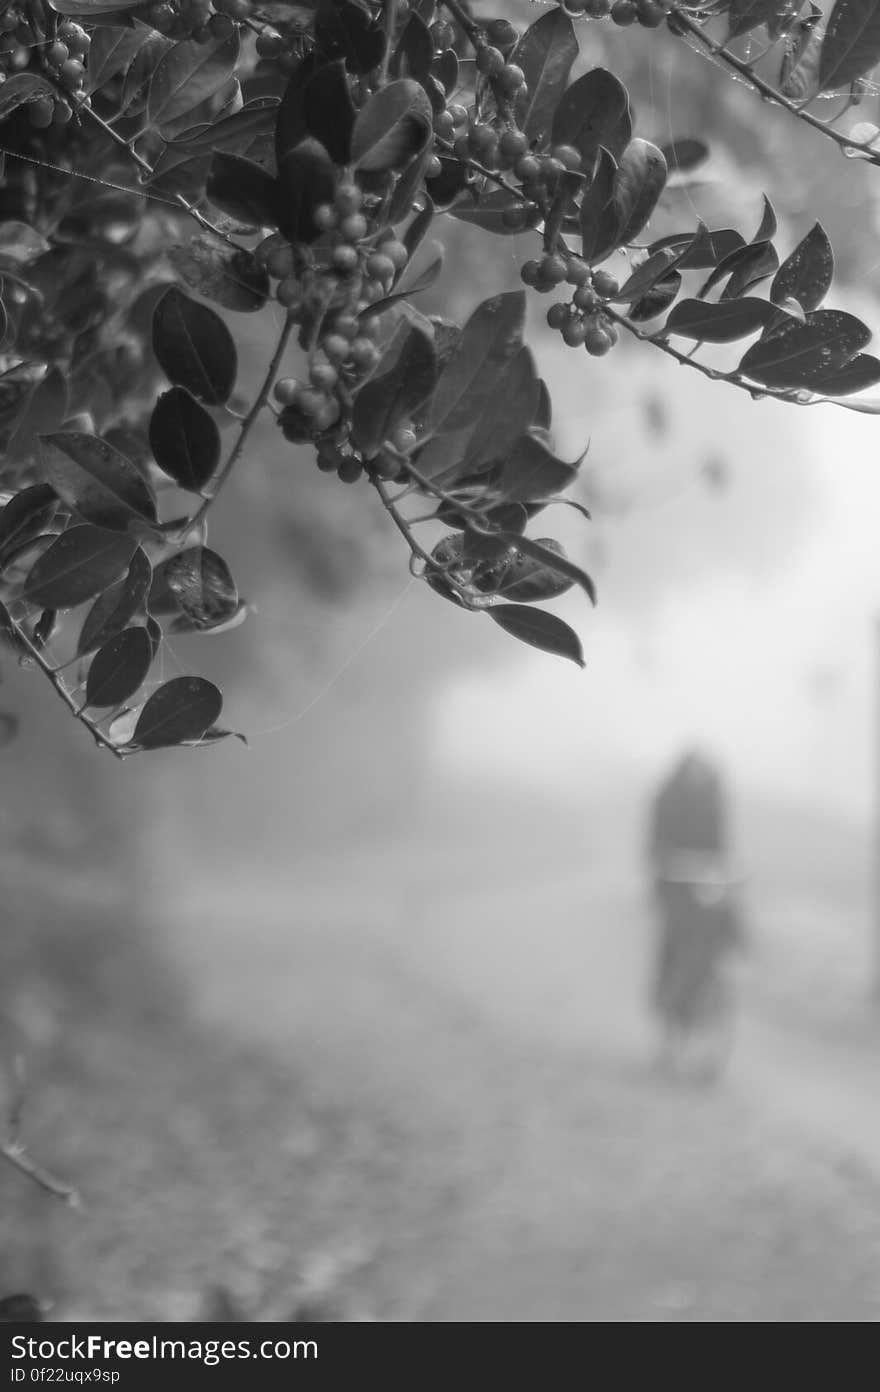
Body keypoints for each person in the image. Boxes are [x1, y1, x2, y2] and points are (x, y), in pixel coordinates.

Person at [646, 748, 745, 1078]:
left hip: (707, 897)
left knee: (712, 961)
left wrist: (721, 877)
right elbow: (654, 850)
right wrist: (675, 869)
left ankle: (706, 1047)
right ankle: (672, 1039)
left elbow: (721, 850)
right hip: (675, 895)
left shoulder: (712, 803)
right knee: (674, 962)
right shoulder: (667, 799)